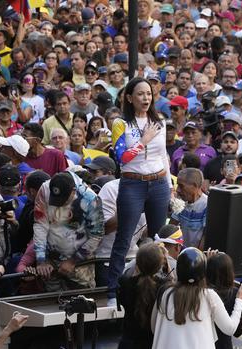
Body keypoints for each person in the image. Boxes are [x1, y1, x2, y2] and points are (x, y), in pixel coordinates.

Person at [106, 77, 171, 305]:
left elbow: (163, 155)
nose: (146, 98)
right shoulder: (120, 124)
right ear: (129, 98)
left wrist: (170, 187)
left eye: (149, 94)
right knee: (124, 239)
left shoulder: (159, 120)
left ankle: (159, 286)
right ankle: (113, 291)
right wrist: (143, 140)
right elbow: (122, 157)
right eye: (141, 94)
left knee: (157, 239)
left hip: (159, 183)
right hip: (133, 183)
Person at [151, 247, 242, 349]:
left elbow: (154, 327)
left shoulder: (165, 293)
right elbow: (230, 329)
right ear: (203, 273)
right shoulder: (209, 296)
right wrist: (240, 300)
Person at [33, 171, 104, 290]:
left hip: (80, 263)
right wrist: (41, 259)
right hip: (51, 260)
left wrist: (73, 261)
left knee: (82, 299)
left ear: (73, 191)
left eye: (63, 200)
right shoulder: (44, 189)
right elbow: (40, 224)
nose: (59, 204)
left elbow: (97, 235)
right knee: (50, 300)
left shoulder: (90, 198)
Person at [117, 243, 168, 349]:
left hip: (128, 342)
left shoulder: (125, 283)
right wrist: (166, 260)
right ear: (160, 264)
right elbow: (172, 282)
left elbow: (128, 278)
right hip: (152, 342)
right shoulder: (163, 287)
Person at [171, 168, 207, 248]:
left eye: (181, 186)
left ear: (194, 186)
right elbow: (171, 228)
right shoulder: (181, 202)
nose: (178, 190)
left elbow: (205, 237)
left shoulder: (207, 206)